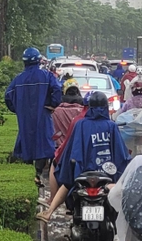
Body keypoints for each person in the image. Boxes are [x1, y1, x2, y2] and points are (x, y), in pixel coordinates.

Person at [36, 92, 131, 222]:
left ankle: (49, 212)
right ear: (105, 107)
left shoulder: (80, 124)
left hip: (83, 173)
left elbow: (72, 150)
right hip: (107, 175)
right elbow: (121, 155)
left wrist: (70, 168)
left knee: (67, 183)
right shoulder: (111, 126)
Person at [5, 47, 62, 187]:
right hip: (42, 114)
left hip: (25, 117)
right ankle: (37, 172)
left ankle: (29, 172)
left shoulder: (18, 79)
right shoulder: (46, 76)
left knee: (26, 142)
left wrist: (18, 109)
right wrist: (52, 104)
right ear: (39, 60)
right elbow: (57, 89)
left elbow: (8, 96)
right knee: (43, 144)